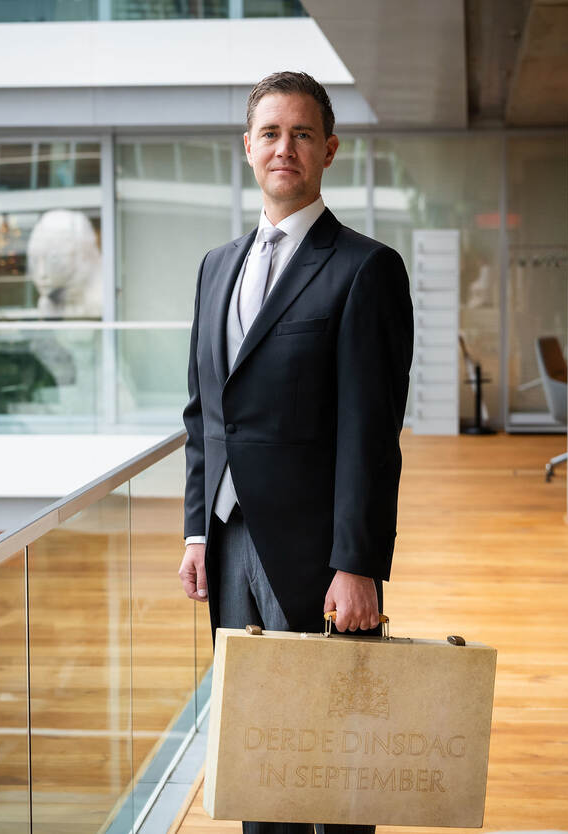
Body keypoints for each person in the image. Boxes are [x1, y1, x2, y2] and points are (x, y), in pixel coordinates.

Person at [178, 71, 413, 834]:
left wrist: (358, 562)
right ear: (248, 148)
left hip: (317, 555)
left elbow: (371, 434)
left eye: (303, 133)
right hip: (231, 543)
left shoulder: (365, 269)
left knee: (335, 766)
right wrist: (194, 531)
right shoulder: (216, 266)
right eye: (271, 133)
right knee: (260, 759)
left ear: (329, 150)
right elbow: (203, 414)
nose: (286, 147)